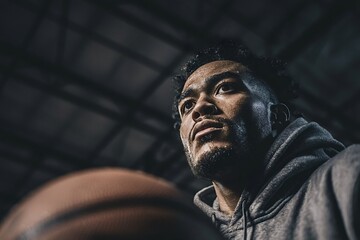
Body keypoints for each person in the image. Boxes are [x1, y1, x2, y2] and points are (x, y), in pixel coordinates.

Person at [172, 40, 359, 240]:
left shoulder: (346, 176)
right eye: (187, 105)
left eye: (225, 87)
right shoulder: (192, 233)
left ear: (277, 115)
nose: (199, 108)